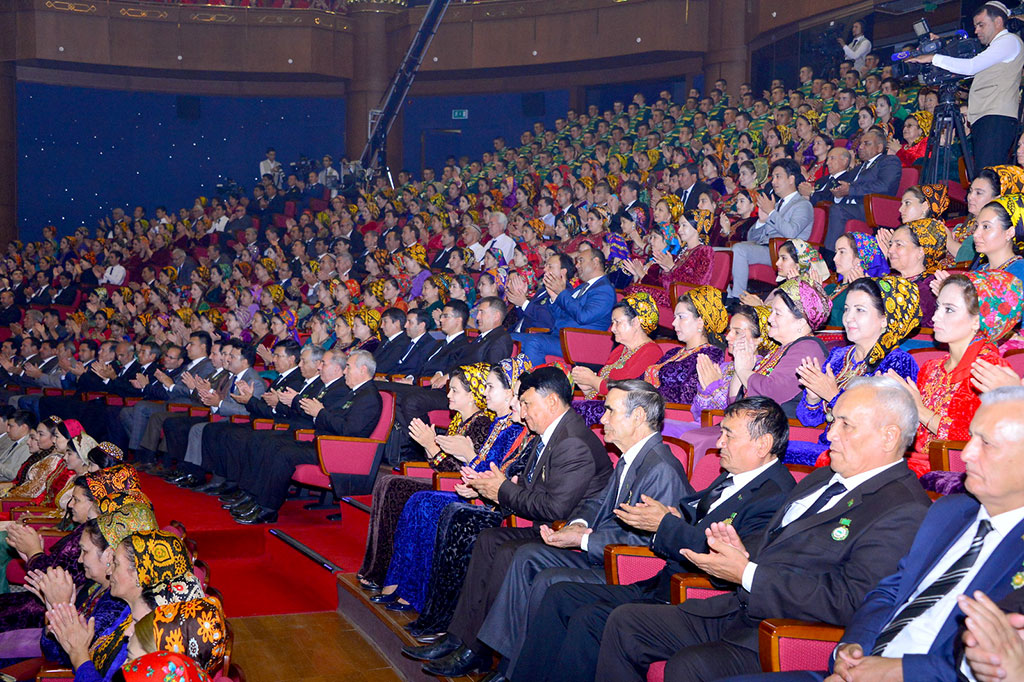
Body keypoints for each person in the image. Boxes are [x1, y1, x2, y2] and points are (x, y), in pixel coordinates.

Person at [593, 376, 932, 681]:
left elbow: (849, 600)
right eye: (833, 421)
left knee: (690, 665)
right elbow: (771, 544)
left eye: (846, 425)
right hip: (738, 610)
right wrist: (737, 553)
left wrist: (748, 573)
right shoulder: (823, 478)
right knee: (627, 624)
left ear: (889, 436)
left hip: (785, 632)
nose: (830, 434)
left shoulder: (903, 508)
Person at [731, 385, 1024, 682]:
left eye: (986, 443)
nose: (968, 453)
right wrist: (852, 650)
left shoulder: (911, 508)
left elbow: (994, 665)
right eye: (971, 436)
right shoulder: (952, 512)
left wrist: (899, 671)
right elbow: (888, 593)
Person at [517, 396, 798, 682]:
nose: (719, 443)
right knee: (561, 595)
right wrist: (670, 517)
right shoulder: (733, 477)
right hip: (661, 581)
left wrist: (664, 523)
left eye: (728, 434)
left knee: (591, 618)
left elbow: (726, 560)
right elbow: (692, 517)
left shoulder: (773, 494)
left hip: (691, 594)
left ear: (762, 445)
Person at [472, 380, 692, 680]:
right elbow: (599, 503)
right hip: (601, 551)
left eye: (610, 411)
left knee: (548, 578)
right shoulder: (633, 457)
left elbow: (645, 542)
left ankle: (521, 672)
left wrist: (586, 540)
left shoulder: (661, 469)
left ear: (638, 417)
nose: (602, 419)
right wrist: (578, 526)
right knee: (527, 557)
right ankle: (510, 664)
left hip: (626, 569)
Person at [403, 366, 612, 676]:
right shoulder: (553, 432)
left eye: (526, 403)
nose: (522, 412)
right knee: (488, 540)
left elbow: (554, 507)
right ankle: (461, 638)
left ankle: (482, 651)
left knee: (506, 551)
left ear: (552, 402)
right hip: (550, 525)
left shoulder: (572, 441)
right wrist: (499, 484)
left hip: (567, 533)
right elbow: (532, 487)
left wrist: (501, 489)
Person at [358, 363, 495, 593]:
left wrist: (431, 446)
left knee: (396, 488)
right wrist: (431, 448)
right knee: (386, 482)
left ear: (473, 396)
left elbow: (460, 470)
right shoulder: (459, 421)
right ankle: (379, 570)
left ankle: (390, 578)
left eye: (455, 391)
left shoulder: (481, 423)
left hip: (458, 489)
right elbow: (440, 464)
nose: (448, 395)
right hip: (445, 481)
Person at [229, 349, 383, 524]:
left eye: (348, 367)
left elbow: (349, 431)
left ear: (363, 370)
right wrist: (318, 413)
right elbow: (334, 419)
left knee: (283, 454)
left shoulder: (369, 397)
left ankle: (268, 509)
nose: (345, 371)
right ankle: (255, 499)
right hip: (324, 443)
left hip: (338, 451)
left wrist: (320, 413)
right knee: (273, 446)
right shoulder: (354, 392)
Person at [892, 272, 1021, 477]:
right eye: (938, 307)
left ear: (977, 321)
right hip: (914, 466)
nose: (935, 317)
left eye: (949, 310)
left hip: (955, 473)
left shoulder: (989, 369)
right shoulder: (931, 367)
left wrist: (919, 409)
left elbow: (972, 438)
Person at [793, 276, 921, 465]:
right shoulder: (838, 356)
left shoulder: (897, 363)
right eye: (846, 309)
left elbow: (878, 427)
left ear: (885, 320)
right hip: (830, 447)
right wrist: (813, 398)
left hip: (864, 456)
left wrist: (833, 395)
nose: (848, 318)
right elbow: (808, 420)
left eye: (860, 310)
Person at [907, 2, 1024, 169]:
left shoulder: (1009, 41)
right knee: (983, 173)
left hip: (996, 117)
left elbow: (971, 66)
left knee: (988, 174)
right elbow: (966, 66)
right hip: (987, 117)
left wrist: (933, 57)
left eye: (981, 25)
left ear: (998, 22)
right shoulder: (994, 49)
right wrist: (943, 47)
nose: (976, 31)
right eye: (975, 26)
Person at [513, 247, 616, 365]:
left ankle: (537, 382)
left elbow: (584, 316)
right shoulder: (582, 287)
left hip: (580, 343)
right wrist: (554, 298)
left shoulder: (604, 289)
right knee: (511, 338)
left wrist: (562, 293)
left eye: (581, 260)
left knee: (534, 342)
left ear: (595, 262)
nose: (577, 265)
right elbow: (560, 315)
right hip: (561, 337)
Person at [729, 159, 813, 299]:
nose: (773, 181)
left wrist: (772, 213)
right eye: (772, 177)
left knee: (739, 250)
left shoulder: (802, 205)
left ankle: (737, 299)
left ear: (791, 179)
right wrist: (761, 222)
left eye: (778, 177)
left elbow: (791, 233)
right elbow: (752, 238)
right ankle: (725, 295)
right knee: (720, 252)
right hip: (765, 248)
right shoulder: (776, 204)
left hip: (783, 252)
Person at [570, 293, 664, 409]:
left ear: (635, 323)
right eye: (612, 323)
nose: (612, 329)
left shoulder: (651, 352)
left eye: (617, 322)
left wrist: (593, 380)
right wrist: (588, 389)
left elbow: (622, 389)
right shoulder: (620, 350)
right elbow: (603, 393)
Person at [825, 129, 902, 250]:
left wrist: (851, 190)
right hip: (851, 206)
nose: (860, 147)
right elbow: (846, 187)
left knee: (837, 210)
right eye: (860, 143)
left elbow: (884, 187)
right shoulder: (858, 168)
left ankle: (831, 256)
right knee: (828, 208)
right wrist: (839, 194)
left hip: (872, 208)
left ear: (879, 147)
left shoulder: (888, 161)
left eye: (867, 143)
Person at [825, 232, 890, 326]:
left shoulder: (870, 292)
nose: (835, 258)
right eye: (836, 252)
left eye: (842, 252)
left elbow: (847, 322)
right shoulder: (830, 288)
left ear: (860, 259)